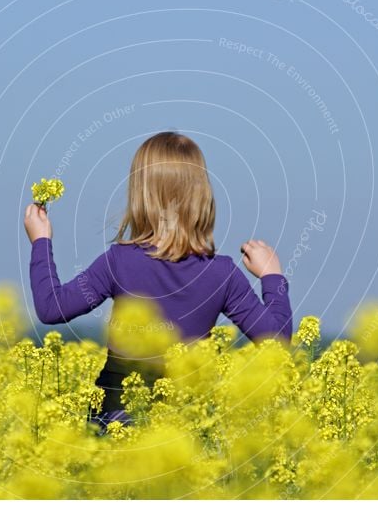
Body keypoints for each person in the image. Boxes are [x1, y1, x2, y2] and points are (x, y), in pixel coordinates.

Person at [23, 131, 293, 429]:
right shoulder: (222, 274)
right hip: (184, 431)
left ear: (141, 194)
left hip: (115, 425)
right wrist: (272, 276)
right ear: (202, 195)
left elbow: (51, 308)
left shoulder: (118, 262)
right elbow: (276, 344)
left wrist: (41, 241)